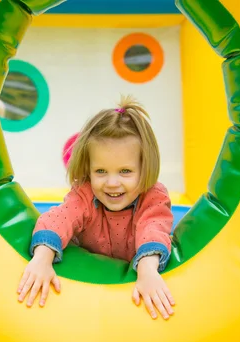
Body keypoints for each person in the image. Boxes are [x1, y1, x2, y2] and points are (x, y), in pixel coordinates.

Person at [17, 95, 175, 320]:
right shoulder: (86, 193)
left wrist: (148, 270)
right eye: (101, 171)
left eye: (125, 171)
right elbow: (60, 217)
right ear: (88, 169)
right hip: (88, 290)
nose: (112, 183)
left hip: (130, 285)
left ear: (144, 167)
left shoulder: (152, 196)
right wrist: (42, 258)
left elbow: (154, 227)